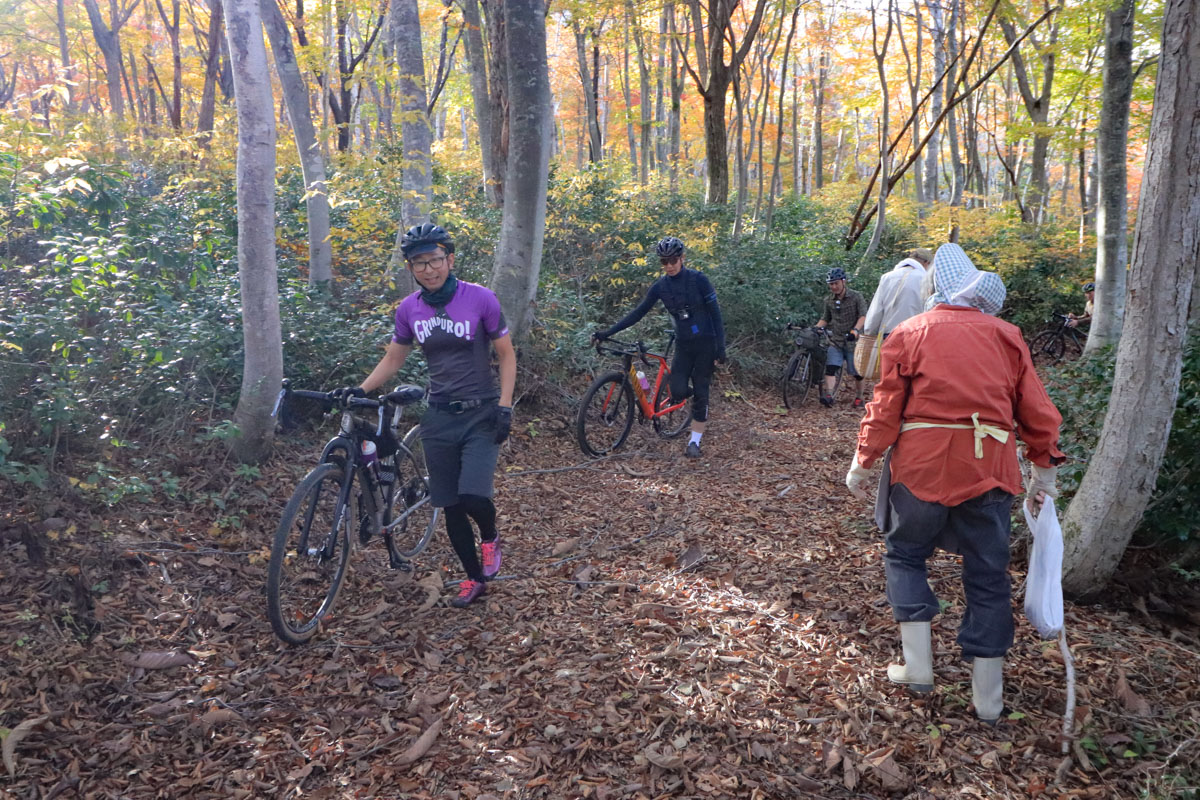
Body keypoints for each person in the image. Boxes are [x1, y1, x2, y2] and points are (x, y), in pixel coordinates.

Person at [845, 243, 1065, 723]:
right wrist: (1043, 470)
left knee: (904, 554)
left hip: (921, 467)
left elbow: (885, 408)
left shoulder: (910, 331)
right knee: (988, 573)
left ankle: (918, 668)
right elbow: (1037, 411)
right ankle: (989, 700)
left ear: (935, 289)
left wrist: (863, 460)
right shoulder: (1007, 336)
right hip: (991, 467)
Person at [350, 223, 516, 608]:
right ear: (410, 267)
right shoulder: (409, 309)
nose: (429, 269)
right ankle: (474, 579)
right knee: (449, 503)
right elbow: (394, 358)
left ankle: (490, 536)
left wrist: (505, 406)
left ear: (450, 259)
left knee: (474, 494)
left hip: (482, 412)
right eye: (419, 263)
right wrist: (360, 390)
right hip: (439, 416)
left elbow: (506, 354)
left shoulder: (480, 299)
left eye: (435, 260)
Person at [593, 236, 726, 458]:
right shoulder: (661, 287)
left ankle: (695, 441)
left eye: (673, 260)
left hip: (706, 343)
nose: (669, 265)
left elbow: (716, 314)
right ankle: (694, 401)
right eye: (664, 261)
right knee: (678, 392)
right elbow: (638, 312)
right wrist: (607, 332)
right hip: (684, 344)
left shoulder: (698, 280)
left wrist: (721, 348)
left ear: (682, 258)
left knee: (701, 391)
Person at [814, 267, 868, 408]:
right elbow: (825, 318)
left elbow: (863, 315)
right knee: (831, 368)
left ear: (843, 282)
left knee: (856, 372)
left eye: (836, 283)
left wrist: (855, 330)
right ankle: (829, 395)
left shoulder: (856, 296)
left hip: (853, 341)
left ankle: (859, 397)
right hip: (836, 340)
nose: (834, 287)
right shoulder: (829, 300)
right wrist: (816, 329)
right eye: (831, 284)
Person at [863, 248, 931, 338]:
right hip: (914, 334)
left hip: (888, 334)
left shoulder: (887, 277)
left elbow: (876, 308)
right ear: (926, 263)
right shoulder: (925, 279)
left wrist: (869, 331)